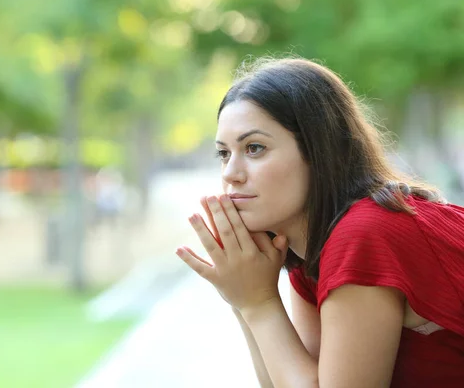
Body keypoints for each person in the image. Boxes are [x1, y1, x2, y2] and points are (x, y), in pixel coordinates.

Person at [175, 57, 464, 387]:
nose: (230, 174)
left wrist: (258, 303)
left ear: (319, 150)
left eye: (254, 148)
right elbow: (292, 380)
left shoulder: (365, 233)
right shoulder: (311, 252)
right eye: (224, 153)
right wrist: (243, 298)